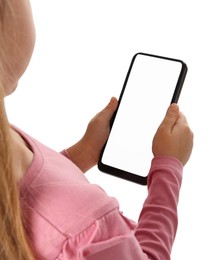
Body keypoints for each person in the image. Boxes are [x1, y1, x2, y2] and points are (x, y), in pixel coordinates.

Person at [0, 0, 193, 259]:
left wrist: (82, 153)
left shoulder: (7, 137)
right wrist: (169, 168)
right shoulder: (84, 231)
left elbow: (19, 193)